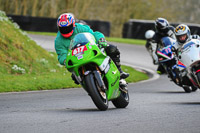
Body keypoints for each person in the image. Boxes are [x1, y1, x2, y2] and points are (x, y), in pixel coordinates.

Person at [54, 13, 129, 84]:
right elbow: (61, 55)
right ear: (59, 28)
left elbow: (93, 34)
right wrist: (64, 60)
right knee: (75, 78)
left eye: (67, 28)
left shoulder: (80, 28)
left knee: (112, 49)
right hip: (77, 60)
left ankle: (119, 71)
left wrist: (100, 39)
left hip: (89, 51)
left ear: (73, 25)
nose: (65, 30)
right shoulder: (58, 41)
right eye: (63, 28)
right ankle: (91, 87)